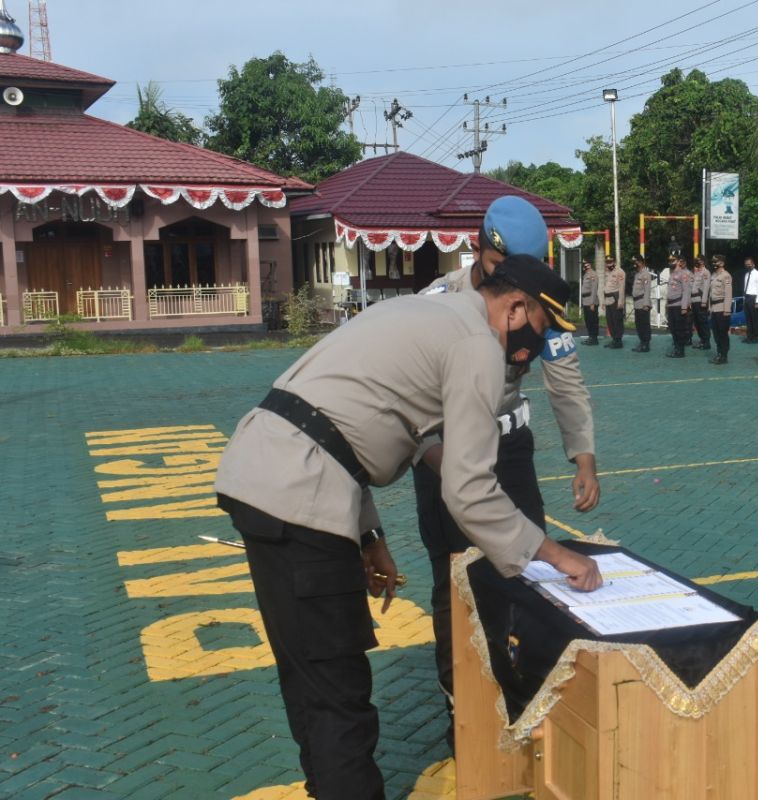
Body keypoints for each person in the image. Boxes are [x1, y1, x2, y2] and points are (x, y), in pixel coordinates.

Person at [213, 254, 602, 800]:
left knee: (311, 680)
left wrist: (368, 537)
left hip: (268, 471)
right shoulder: (477, 345)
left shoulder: (425, 313)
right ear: (515, 307)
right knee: (337, 693)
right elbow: (468, 490)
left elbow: (350, 424)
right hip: (296, 490)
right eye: (540, 330)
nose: (534, 351)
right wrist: (557, 555)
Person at [416, 196, 599, 749]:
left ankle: (526, 704)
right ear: (479, 247)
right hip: (443, 452)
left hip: (507, 450)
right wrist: (446, 466)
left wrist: (583, 458)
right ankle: (462, 715)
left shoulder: (538, 298)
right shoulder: (436, 301)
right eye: (503, 268)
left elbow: (565, 379)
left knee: (526, 571)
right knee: (454, 584)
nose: (515, 283)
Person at [707, 254, 733, 364]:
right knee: (716, 333)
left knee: (722, 333)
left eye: (716, 262)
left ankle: (724, 355)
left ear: (722, 263)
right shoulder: (713, 276)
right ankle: (719, 353)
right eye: (713, 262)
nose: (714, 264)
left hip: (722, 308)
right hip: (714, 308)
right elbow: (710, 294)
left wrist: (727, 310)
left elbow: (728, 294)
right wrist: (709, 307)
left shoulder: (726, 276)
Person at [665, 256, 692, 358]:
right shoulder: (672, 274)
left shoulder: (683, 274)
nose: (671, 262)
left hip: (679, 305)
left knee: (679, 329)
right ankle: (676, 348)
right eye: (670, 261)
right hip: (671, 305)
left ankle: (680, 350)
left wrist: (684, 307)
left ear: (678, 262)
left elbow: (686, 291)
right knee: (672, 328)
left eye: (673, 260)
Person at [631, 255, 654, 352]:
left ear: (641, 262)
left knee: (644, 324)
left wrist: (645, 304)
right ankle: (642, 342)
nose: (634, 264)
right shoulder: (637, 274)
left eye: (636, 262)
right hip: (637, 303)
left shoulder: (645, 274)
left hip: (643, 303)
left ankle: (646, 344)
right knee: (638, 324)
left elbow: (647, 290)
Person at [603, 255, 626, 348]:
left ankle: (618, 341)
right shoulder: (607, 272)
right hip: (608, 299)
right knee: (610, 321)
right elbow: (605, 287)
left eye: (611, 262)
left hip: (615, 299)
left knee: (617, 321)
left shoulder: (620, 272)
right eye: (607, 262)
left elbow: (621, 287)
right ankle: (614, 339)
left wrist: (621, 302)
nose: (609, 264)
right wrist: (603, 301)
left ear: (615, 262)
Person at [741, 256, 758, 343]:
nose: (748, 266)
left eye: (749, 264)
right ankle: (749, 336)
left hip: (754, 298)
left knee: (755, 319)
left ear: (753, 264)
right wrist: (744, 298)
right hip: (747, 297)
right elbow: (745, 287)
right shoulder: (746, 274)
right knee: (748, 319)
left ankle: (755, 337)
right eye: (746, 265)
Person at [579, 259, 600, 345]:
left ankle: (594, 338)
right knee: (588, 320)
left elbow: (594, 289)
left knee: (593, 320)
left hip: (591, 301)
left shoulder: (593, 274)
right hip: (585, 301)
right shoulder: (586, 274)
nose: (584, 266)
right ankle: (590, 336)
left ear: (589, 265)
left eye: (585, 264)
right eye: (583, 264)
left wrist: (592, 303)